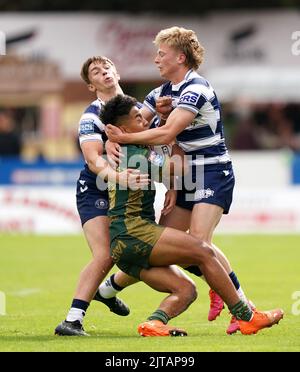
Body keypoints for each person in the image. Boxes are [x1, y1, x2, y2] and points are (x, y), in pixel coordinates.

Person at [104, 26, 274, 334]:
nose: (156, 58)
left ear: (180, 57)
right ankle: (115, 289)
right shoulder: (158, 94)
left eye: (161, 53)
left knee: (197, 244)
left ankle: (240, 308)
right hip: (183, 175)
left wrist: (124, 139)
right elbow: (130, 120)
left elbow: (165, 133)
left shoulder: (196, 88)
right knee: (170, 245)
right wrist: (111, 138)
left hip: (211, 170)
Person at [55, 56, 148, 337]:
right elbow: (94, 160)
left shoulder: (140, 108)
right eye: (96, 71)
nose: (103, 71)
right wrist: (118, 176)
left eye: (106, 66)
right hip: (96, 188)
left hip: (130, 190)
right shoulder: (90, 116)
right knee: (105, 254)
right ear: (90, 85)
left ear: (117, 72)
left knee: (143, 251)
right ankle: (72, 320)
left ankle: (108, 291)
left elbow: (156, 140)